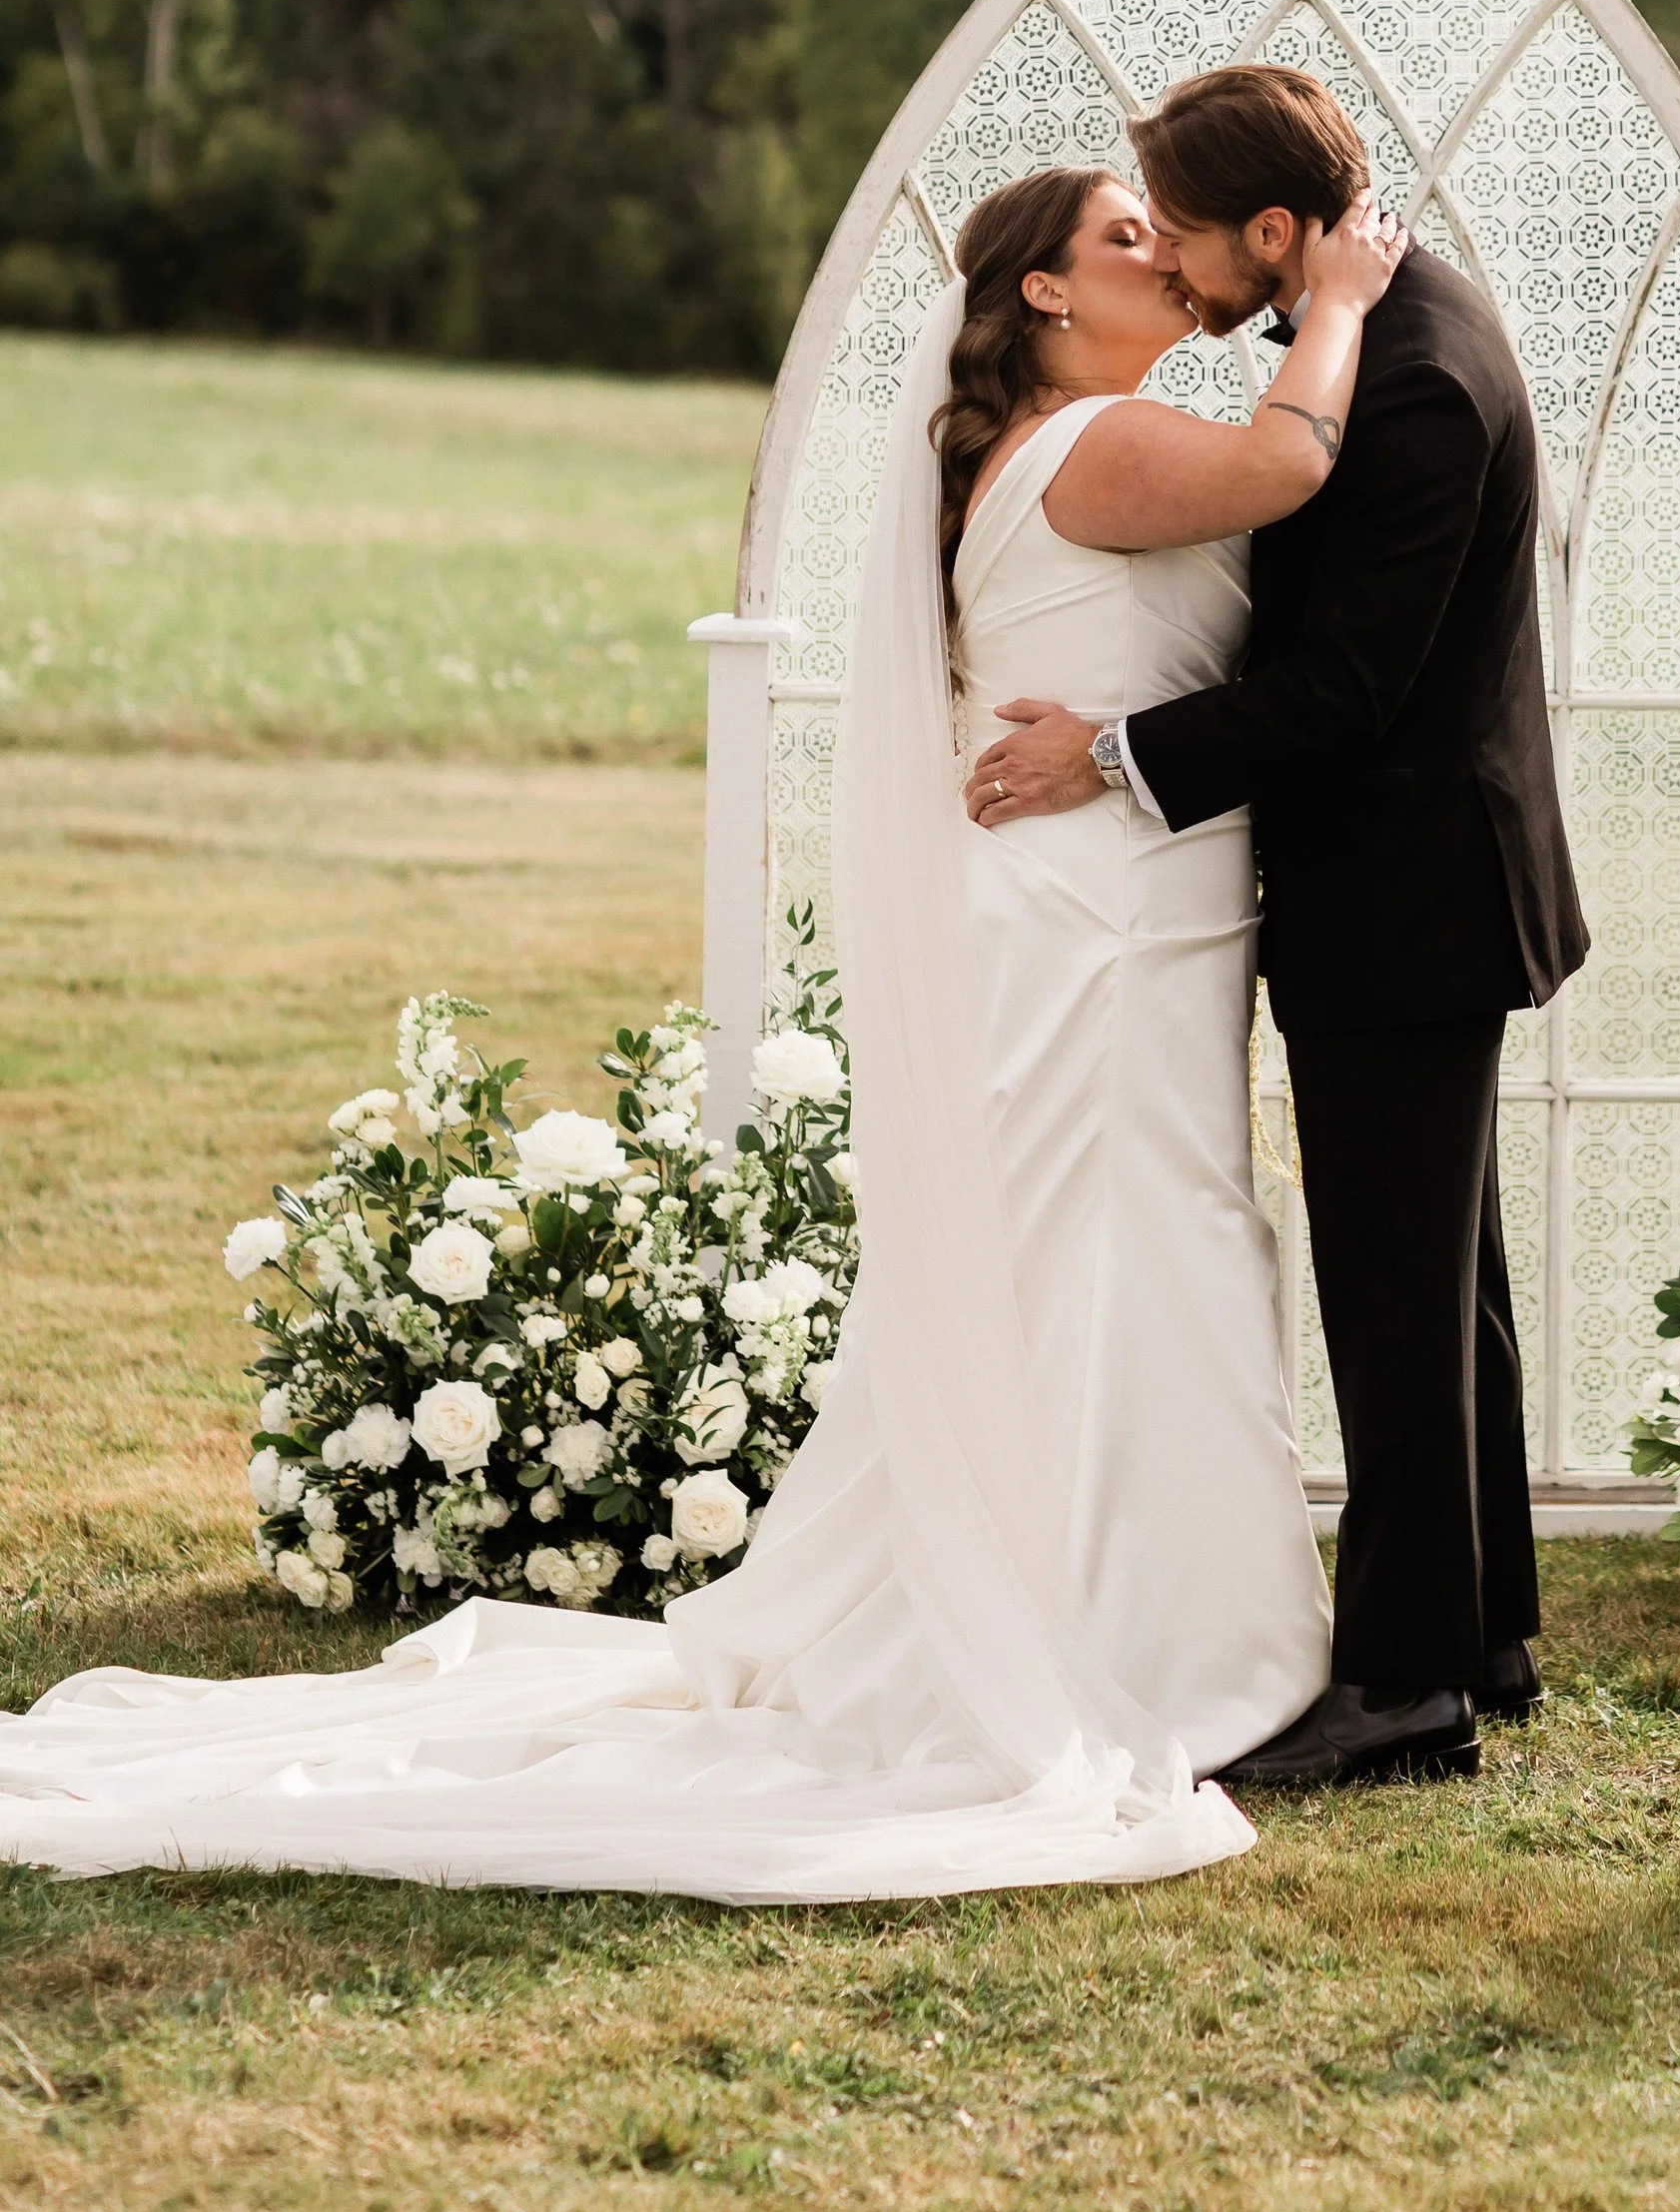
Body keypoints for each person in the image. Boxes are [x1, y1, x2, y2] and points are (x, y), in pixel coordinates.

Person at [0, 168, 1406, 1902]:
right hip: (1098, 925)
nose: (1159, 259)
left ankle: (1115, 1601)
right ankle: (1147, 1638)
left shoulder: (1053, 446)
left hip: (1117, 906)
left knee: (1097, 1248)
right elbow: (1284, 463)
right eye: (1124, 239)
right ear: (1041, 296)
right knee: (1126, 1244)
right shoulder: (1089, 450)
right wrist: (1337, 300)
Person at [970, 66, 1588, 1789]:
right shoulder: (1389, 332)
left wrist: (1102, 750)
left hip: (1407, 890)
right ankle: (1485, 1632)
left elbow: (1343, 686)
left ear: (1272, 231)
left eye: (1182, 235)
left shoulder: (1412, 384)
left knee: (1395, 1294)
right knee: (1439, 1278)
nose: (1173, 266)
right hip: (1407, 888)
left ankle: (1403, 1688)